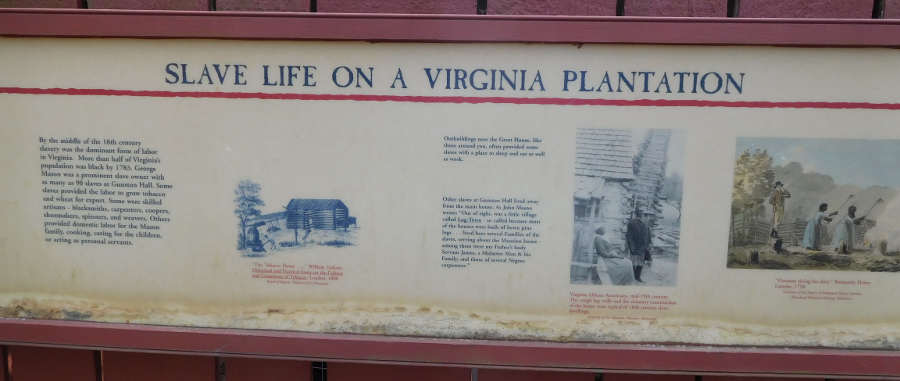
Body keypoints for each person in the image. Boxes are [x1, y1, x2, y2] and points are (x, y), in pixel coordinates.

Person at [626, 208, 652, 283]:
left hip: (643, 246)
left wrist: (649, 244)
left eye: (642, 211)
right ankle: (632, 278)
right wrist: (632, 247)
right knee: (633, 263)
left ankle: (638, 277)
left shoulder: (646, 221)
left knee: (641, 263)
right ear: (636, 213)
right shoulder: (632, 222)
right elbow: (629, 236)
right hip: (635, 246)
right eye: (639, 211)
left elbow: (649, 233)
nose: (641, 213)